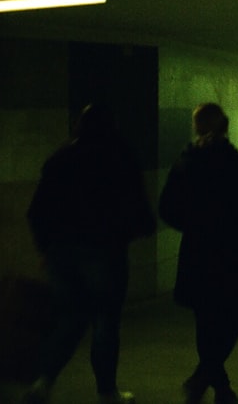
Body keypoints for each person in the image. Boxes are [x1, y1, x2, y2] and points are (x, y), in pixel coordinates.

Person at [24, 104, 156, 404]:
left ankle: (43, 383)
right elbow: (136, 205)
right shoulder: (120, 158)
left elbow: (37, 211)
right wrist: (139, 229)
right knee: (105, 321)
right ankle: (106, 392)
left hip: (62, 252)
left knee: (69, 318)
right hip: (104, 251)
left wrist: (45, 247)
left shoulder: (60, 159)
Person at [159, 103, 238, 404]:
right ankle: (211, 381)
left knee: (206, 321)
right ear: (226, 126)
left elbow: (167, 208)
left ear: (197, 128)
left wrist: (194, 227)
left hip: (199, 252)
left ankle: (213, 382)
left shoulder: (186, 163)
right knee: (233, 317)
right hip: (233, 253)